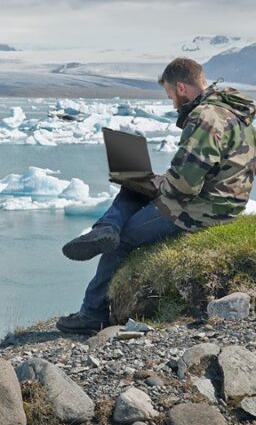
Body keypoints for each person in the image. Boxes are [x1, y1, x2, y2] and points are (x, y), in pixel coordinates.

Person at [56, 57, 256, 334]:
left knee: (121, 241)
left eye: (170, 94)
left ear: (181, 88)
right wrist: (159, 181)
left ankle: (93, 314)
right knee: (133, 188)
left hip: (205, 209)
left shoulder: (205, 117)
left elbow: (184, 187)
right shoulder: (231, 111)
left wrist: (163, 185)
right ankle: (105, 227)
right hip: (224, 199)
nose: (172, 102)